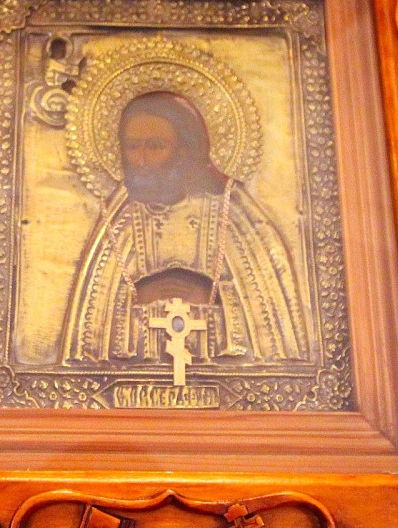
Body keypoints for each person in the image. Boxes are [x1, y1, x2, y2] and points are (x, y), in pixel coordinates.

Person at [61, 91, 310, 366]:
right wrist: (142, 299)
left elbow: (263, 316)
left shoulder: (233, 218)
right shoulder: (116, 222)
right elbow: (95, 325)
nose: (141, 160)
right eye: (132, 147)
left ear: (185, 150)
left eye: (155, 146)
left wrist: (206, 298)